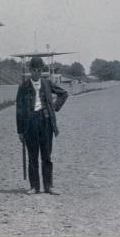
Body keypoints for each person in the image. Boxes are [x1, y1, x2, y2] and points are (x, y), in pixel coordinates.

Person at [16, 56, 69, 195]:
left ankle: (48, 186)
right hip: (30, 123)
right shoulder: (23, 87)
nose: (36, 73)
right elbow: (19, 110)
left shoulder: (47, 84)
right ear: (30, 70)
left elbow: (64, 94)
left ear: (41, 71)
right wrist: (20, 131)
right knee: (32, 156)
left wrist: (54, 107)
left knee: (46, 155)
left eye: (39, 70)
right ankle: (34, 186)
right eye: (33, 70)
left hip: (46, 122)